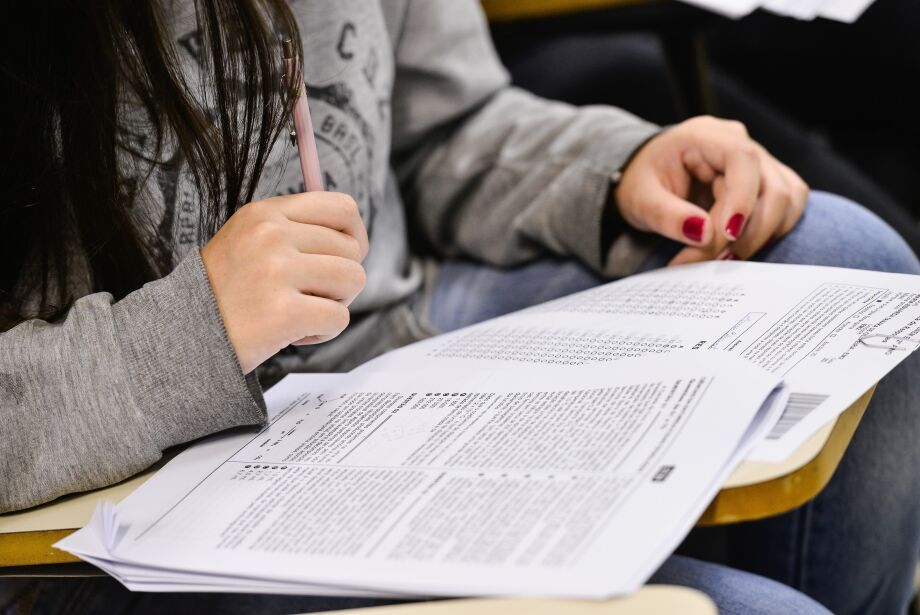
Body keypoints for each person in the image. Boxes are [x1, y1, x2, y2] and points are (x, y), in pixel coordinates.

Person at [0, 1, 917, 614]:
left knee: (851, 258)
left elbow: (445, 126)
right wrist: (193, 331)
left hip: (381, 353)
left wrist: (613, 168)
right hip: (123, 496)